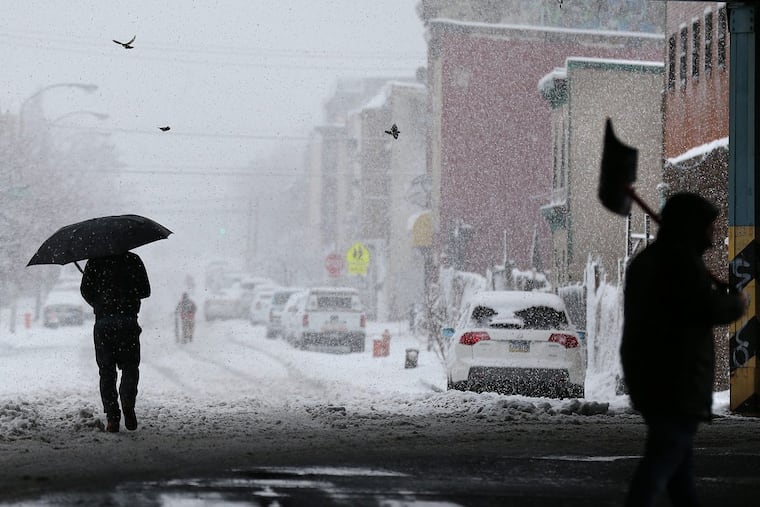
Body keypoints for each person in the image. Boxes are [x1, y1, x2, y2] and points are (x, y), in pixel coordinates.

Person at [621, 193, 746, 506]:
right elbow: (700, 308)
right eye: (708, 226)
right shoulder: (678, 264)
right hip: (675, 381)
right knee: (662, 462)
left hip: (656, 378)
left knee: (679, 472)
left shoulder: (655, 261)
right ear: (693, 226)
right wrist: (734, 303)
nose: (713, 233)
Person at [80, 251, 150, 433]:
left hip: (104, 323)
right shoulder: (133, 259)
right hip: (128, 321)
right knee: (130, 366)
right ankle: (127, 400)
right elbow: (145, 290)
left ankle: (112, 417)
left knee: (106, 371)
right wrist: (127, 293)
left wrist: (100, 301)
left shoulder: (94, 261)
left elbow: (85, 291)